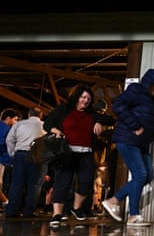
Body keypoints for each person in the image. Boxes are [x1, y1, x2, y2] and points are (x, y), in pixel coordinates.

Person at [101, 68, 154, 227]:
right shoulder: (136, 90)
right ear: (148, 83)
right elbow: (118, 106)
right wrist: (135, 125)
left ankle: (114, 200)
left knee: (148, 176)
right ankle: (134, 215)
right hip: (128, 139)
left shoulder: (152, 100)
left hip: (141, 143)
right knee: (140, 175)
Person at [43, 84, 110, 227]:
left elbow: (109, 119)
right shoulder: (64, 110)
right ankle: (57, 215)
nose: (86, 100)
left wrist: (98, 121)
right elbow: (47, 124)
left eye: (88, 98)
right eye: (83, 97)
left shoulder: (92, 113)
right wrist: (57, 131)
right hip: (66, 153)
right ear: (77, 97)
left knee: (86, 182)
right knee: (62, 184)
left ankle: (76, 208)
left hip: (85, 153)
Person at [4, 106, 48, 218]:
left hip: (20, 154)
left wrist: (13, 153)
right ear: (41, 116)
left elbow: (9, 140)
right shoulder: (45, 126)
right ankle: (29, 211)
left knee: (16, 184)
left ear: (29, 114)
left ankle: (11, 210)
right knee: (35, 185)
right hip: (38, 157)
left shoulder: (19, 124)